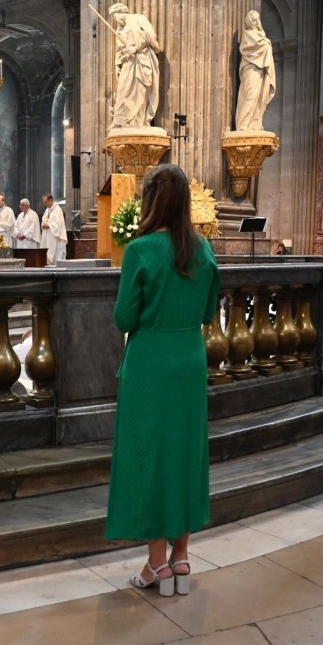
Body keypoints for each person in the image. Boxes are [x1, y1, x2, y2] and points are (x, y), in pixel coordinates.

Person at [106, 163, 220, 597]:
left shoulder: (141, 251)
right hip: (189, 358)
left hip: (150, 361)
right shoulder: (203, 248)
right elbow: (209, 311)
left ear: (150, 201)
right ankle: (183, 557)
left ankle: (156, 564)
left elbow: (124, 317)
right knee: (186, 453)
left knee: (150, 455)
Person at [108, 3, 163, 129]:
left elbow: (150, 37)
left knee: (139, 90)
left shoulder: (138, 19)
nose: (115, 19)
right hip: (128, 61)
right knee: (123, 89)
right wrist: (118, 64)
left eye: (115, 16)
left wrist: (136, 47)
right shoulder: (120, 29)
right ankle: (122, 120)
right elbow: (120, 48)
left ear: (121, 12)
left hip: (142, 58)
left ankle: (138, 121)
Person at [235, 10, 276, 131]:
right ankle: (243, 124)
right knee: (250, 95)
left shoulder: (262, 36)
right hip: (251, 69)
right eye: (254, 20)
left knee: (260, 97)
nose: (257, 22)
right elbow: (248, 50)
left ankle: (254, 123)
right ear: (249, 22)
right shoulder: (248, 35)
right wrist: (266, 44)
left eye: (258, 19)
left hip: (261, 69)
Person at [40, 193, 67, 265]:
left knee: (56, 254)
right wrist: (44, 224)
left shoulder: (58, 210)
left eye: (46, 202)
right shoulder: (47, 210)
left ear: (51, 200)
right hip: (48, 236)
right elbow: (44, 220)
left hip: (55, 237)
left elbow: (58, 224)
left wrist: (48, 225)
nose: (45, 204)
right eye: (44, 202)